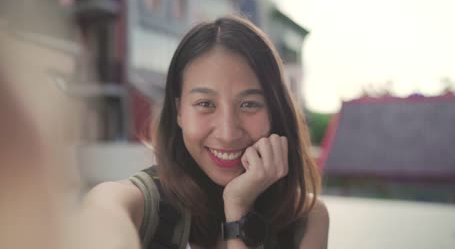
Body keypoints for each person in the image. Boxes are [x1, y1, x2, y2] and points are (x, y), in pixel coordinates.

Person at [83, 15, 329, 249]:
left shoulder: (306, 220)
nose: (227, 133)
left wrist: (239, 209)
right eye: (205, 104)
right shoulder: (122, 203)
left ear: (276, 110)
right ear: (179, 111)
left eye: (249, 104)